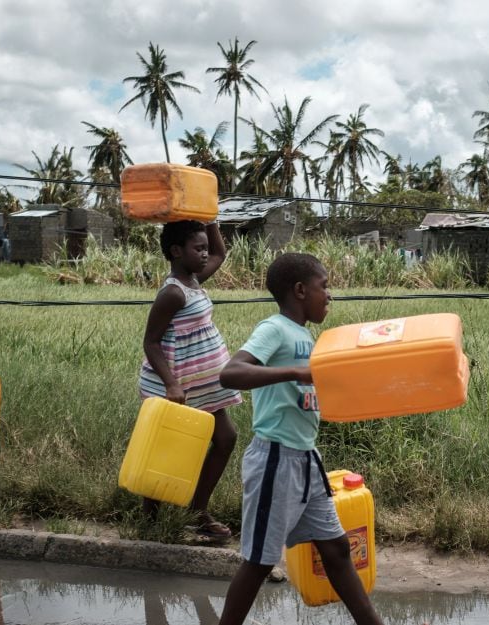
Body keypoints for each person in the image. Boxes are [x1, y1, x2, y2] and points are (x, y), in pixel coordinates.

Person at [217, 253, 383, 625]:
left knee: (337, 550)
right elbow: (231, 374)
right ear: (299, 290)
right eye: (324, 286)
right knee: (259, 561)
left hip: (306, 460)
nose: (329, 295)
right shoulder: (274, 328)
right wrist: (293, 370)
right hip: (276, 460)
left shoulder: (306, 336)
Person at [139, 220, 242, 540]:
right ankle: (151, 520)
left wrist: (209, 220)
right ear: (175, 251)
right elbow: (151, 342)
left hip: (203, 386)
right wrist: (171, 384)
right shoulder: (173, 292)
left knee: (225, 438)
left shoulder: (195, 278)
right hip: (175, 386)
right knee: (164, 450)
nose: (204, 254)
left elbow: (221, 254)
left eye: (204, 248)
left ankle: (197, 511)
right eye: (197, 249)